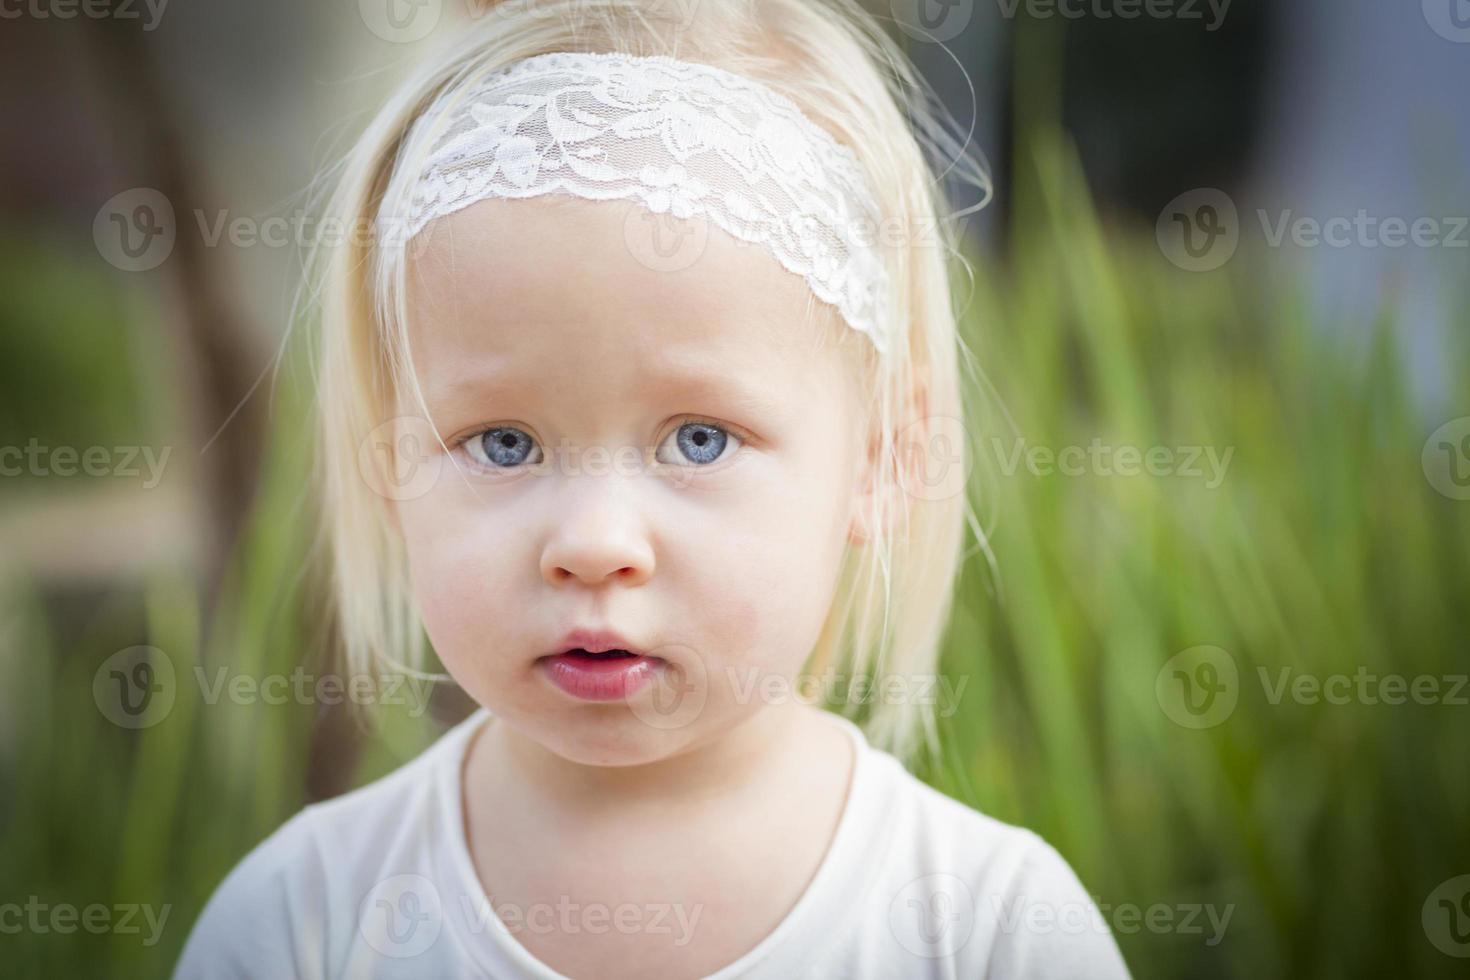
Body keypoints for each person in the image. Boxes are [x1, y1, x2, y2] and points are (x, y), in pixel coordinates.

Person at [174, 1, 1131, 976]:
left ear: (884, 458)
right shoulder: (302, 921)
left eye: (700, 437)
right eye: (502, 442)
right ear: (390, 465)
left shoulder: (989, 930)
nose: (592, 542)